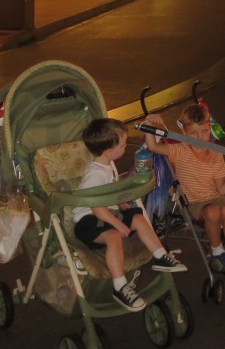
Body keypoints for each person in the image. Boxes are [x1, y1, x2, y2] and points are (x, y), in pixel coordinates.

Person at [71, 118, 187, 312]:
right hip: (88, 220)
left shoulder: (107, 163)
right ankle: (120, 287)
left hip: (107, 212)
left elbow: (107, 194)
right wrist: (118, 224)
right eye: (123, 145)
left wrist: (119, 203)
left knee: (139, 217)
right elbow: (95, 207)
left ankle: (160, 256)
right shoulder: (96, 174)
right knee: (114, 237)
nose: (125, 147)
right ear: (110, 151)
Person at [143, 105, 225, 273]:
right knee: (212, 211)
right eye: (194, 133)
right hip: (195, 203)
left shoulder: (216, 153)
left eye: (204, 131)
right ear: (184, 132)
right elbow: (153, 147)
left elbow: (221, 191)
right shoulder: (180, 150)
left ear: (210, 129)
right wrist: (149, 123)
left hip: (215, 197)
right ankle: (217, 253)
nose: (200, 138)